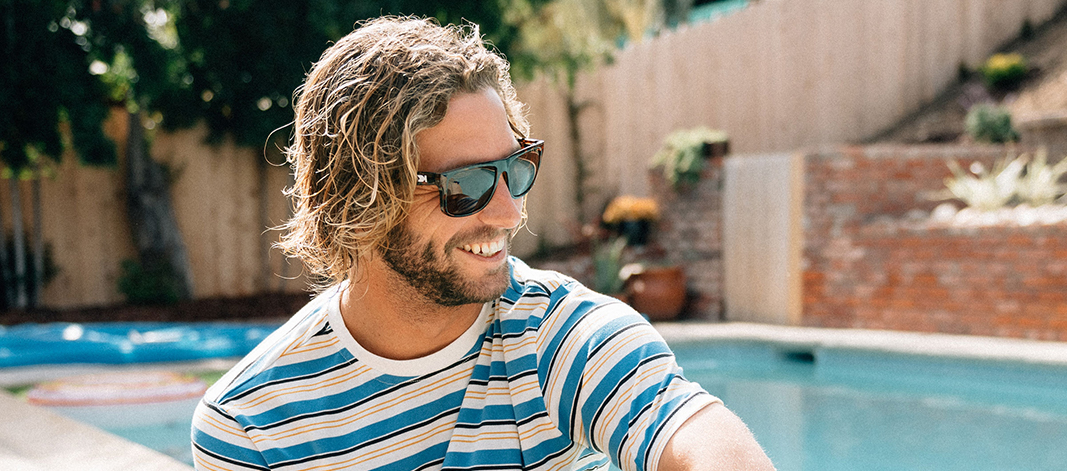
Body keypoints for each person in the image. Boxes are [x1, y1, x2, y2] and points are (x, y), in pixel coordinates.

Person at [192, 16, 773, 471]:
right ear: (359, 199)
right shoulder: (251, 426)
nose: (510, 210)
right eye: (465, 185)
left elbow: (694, 434)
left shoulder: (560, 336)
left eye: (515, 169)